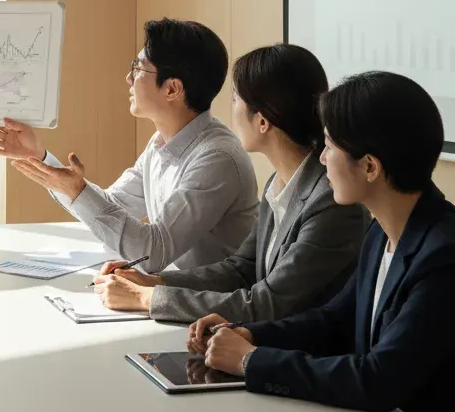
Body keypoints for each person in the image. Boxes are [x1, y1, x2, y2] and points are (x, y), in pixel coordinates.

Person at [199, 72, 455, 412]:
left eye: (330, 146)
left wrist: (250, 360)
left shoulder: (443, 255)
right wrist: (249, 333)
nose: (321, 157)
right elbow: (336, 320)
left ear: (370, 166)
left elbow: (378, 379)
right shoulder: (383, 230)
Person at [93, 44, 367, 322]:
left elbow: (266, 303)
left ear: (262, 121)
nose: (231, 109)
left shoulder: (331, 203)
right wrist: (154, 282)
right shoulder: (281, 181)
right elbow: (241, 270)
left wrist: (146, 298)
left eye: (236, 98)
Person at [0, 18, 258, 271]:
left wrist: (77, 190)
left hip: (218, 315)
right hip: (184, 298)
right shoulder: (161, 142)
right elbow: (113, 207)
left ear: (172, 88)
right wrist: (38, 156)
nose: (128, 78)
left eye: (137, 69)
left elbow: (153, 252)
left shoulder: (216, 158)